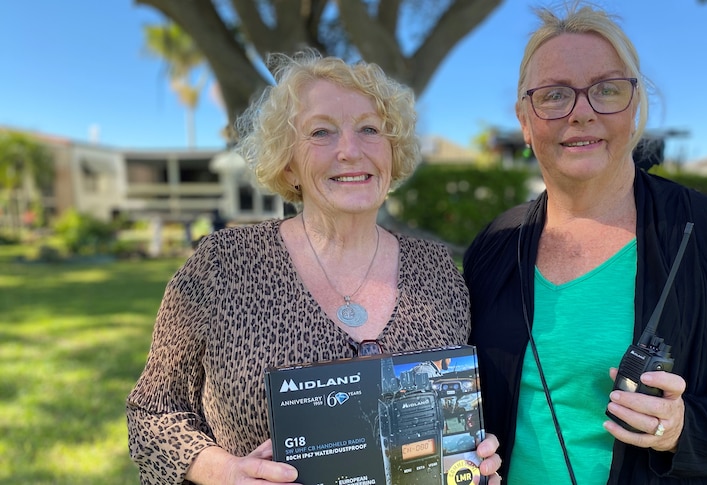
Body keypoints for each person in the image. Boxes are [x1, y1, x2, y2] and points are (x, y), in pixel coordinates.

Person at [463, 4, 707, 485]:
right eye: (554, 95)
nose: (581, 112)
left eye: (607, 90)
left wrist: (683, 428)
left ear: (635, 106)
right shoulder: (494, 247)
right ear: (525, 121)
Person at [126, 50, 502, 485]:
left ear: (392, 151)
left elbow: (459, 411)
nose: (350, 150)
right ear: (288, 162)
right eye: (321, 132)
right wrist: (224, 472)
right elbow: (152, 411)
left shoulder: (437, 271)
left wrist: (474, 458)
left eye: (369, 129)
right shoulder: (224, 265)